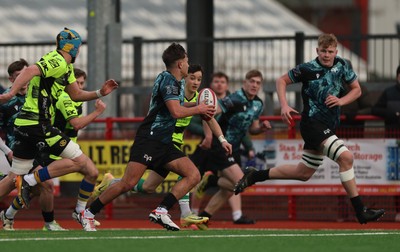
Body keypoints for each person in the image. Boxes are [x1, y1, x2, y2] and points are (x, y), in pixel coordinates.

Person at [234, 33, 385, 224]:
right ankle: (360, 210)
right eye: (323, 51)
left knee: (303, 173)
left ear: (336, 52)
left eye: (330, 51)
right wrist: (285, 105)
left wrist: (340, 101)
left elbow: (357, 90)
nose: (327, 55)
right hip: (312, 124)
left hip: (327, 125)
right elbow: (281, 81)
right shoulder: (307, 68)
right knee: (346, 157)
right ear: (317, 50)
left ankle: (255, 175)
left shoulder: (343, 65)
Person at [80, 43, 220, 231]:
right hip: (150, 139)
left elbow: (179, 107)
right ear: (179, 64)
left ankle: (161, 211)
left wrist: (197, 105)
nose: (188, 64)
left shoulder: (174, 82)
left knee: (193, 175)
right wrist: (200, 108)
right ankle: (88, 214)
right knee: (128, 183)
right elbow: (176, 112)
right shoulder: (169, 82)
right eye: (186, 61)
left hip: (164, 142)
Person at [0, 28, 118, 212]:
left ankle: (23, 186)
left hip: (26, 125)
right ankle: (30, 182)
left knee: (11, 179)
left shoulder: (67, 67)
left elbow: (76, 94)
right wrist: (11, 94)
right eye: (78, 48)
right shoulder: (58, 61)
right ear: (75, 48)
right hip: (38, 124)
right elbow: (31, 69)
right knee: (81, 161)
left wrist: (99, 93)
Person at [190, 69, 271, 225]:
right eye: (251, 81)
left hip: (232, 149)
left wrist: (261, 128)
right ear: (244, 83)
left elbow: (252, 129)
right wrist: (208, 136)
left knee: (232, 188)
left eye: (258, 83)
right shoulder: (234, 99)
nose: (254, 85)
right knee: (241, 181)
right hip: (219, 145)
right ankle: (211, 180)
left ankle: (204, 218)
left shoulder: (258, 104)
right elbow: (209, 113)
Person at [0, 59, 66, 231]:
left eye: (24, 74)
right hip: (19, 151)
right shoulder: (5, 101)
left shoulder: (36, 94)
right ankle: (49, 224)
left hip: (39, 149)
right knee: (45, 185)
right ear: (11, 79)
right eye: (17, 76)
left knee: (35, 190)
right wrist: (7, 151)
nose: (23, 79)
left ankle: (8, 215)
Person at [371, 64, 400, 221]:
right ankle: (398, 210)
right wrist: (393, 114)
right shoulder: (388, 93)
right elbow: (375, 109)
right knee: (396, 178)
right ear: (397, 76)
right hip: (393, 143)